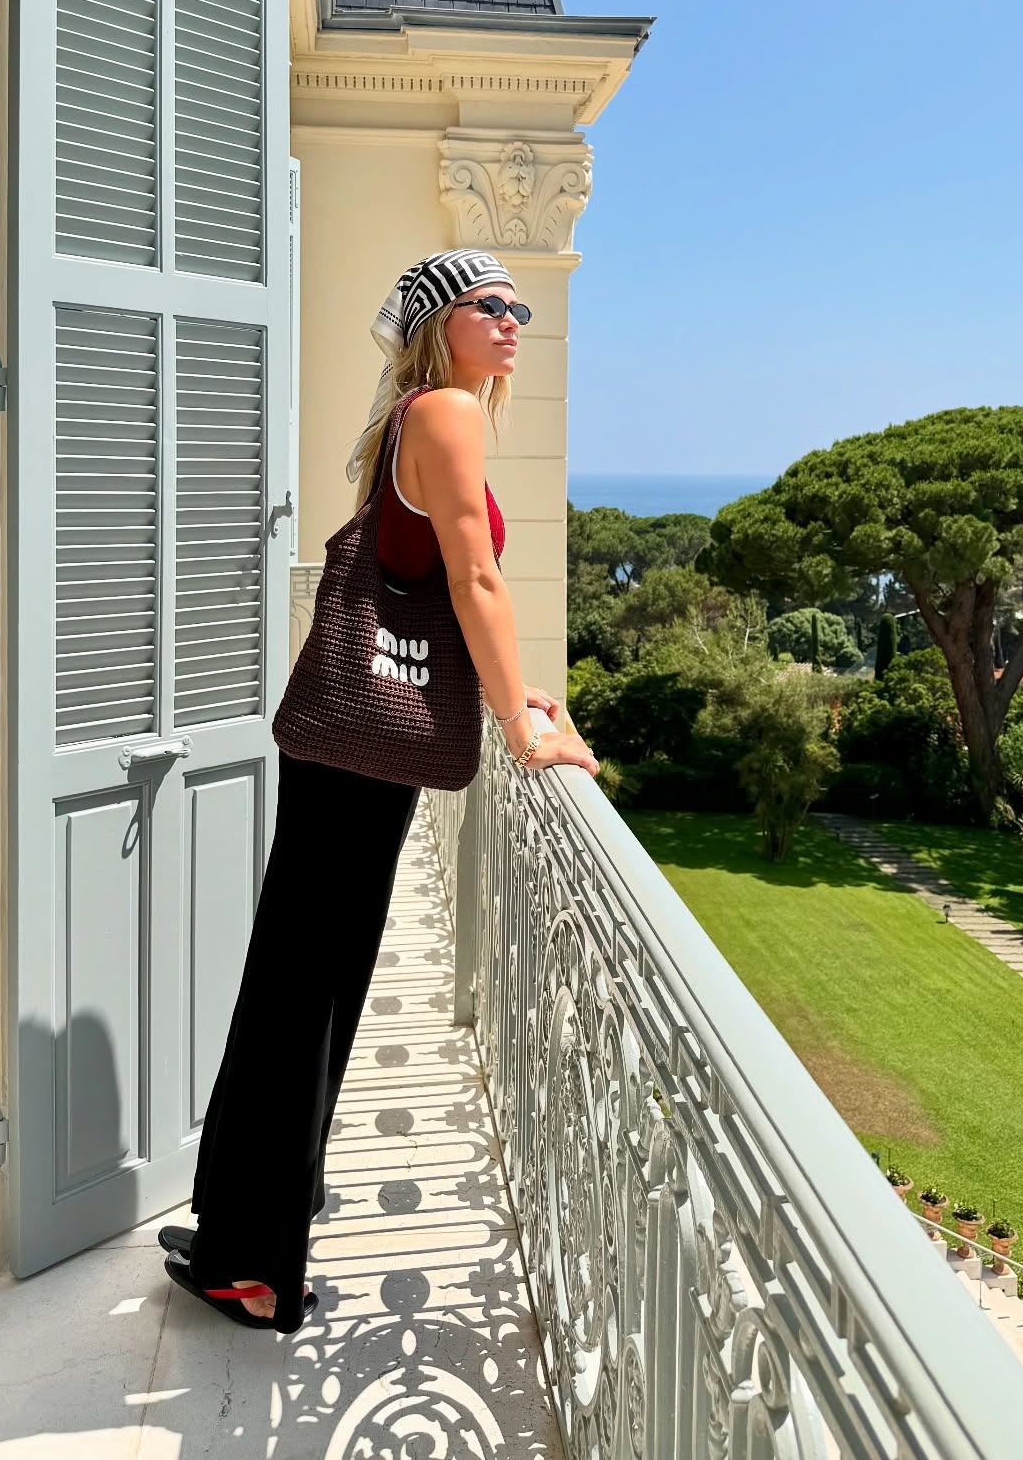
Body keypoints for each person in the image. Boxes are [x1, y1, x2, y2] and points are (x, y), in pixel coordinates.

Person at [161, 249, 599, 1332]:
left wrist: (519, 687)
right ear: (439, 322)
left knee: (299, 980)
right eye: (488, 305)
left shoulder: (420, 416)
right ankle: (255, 1259)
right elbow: (473, 574)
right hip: (363, 753)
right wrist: (519, 722)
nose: (513, 321)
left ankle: (248, 1236)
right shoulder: (447, 411)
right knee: (307, 987)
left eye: (519, 306)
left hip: (352, 750)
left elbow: (432, 586)